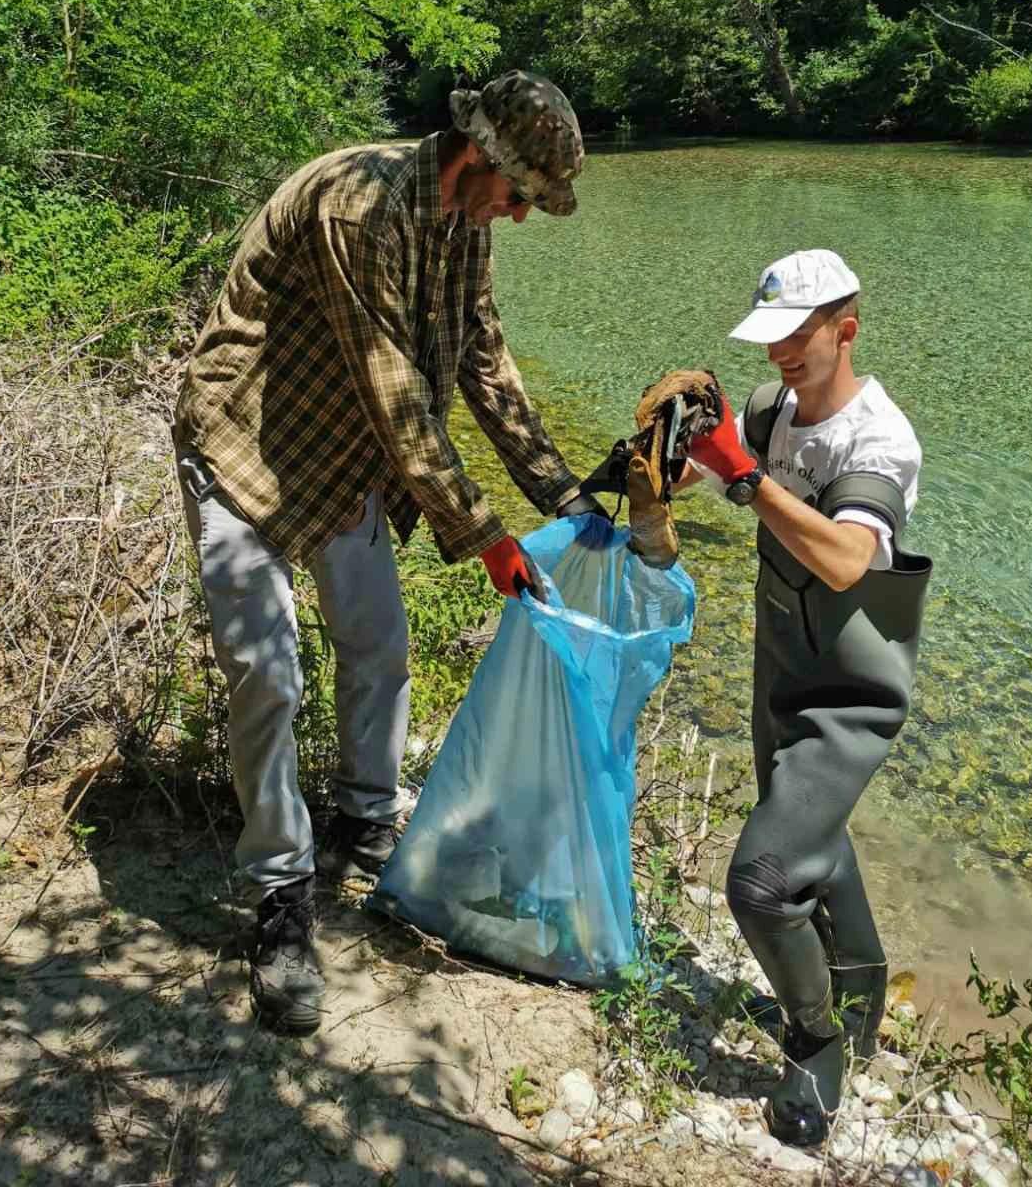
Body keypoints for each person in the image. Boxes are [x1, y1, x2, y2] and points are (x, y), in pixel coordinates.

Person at [172, 70, 607, 1035]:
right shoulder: (359, 203)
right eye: (521, 193)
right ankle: (281, 902)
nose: (523, 216)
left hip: (342, 461)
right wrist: (483, 534)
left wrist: (563, 493)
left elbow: (483, 359)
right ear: (479, 158)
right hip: (246, 447)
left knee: (380, 645)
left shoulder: (466, 225)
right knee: (267, 674)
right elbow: (396, 391)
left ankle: (364, 823)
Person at [674, 249, 931, 1147]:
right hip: (782, 668)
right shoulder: (768, 410)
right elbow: (696, 479)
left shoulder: (880, 440)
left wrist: (746, 477)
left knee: (762, 880)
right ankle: (859, 991)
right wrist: (672, 454)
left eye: (799, 334)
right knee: (806, 831)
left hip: (851, 698)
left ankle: (817, 1041)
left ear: (845, 329)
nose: (780, 351)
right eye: (768, 336)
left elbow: (848, 560)